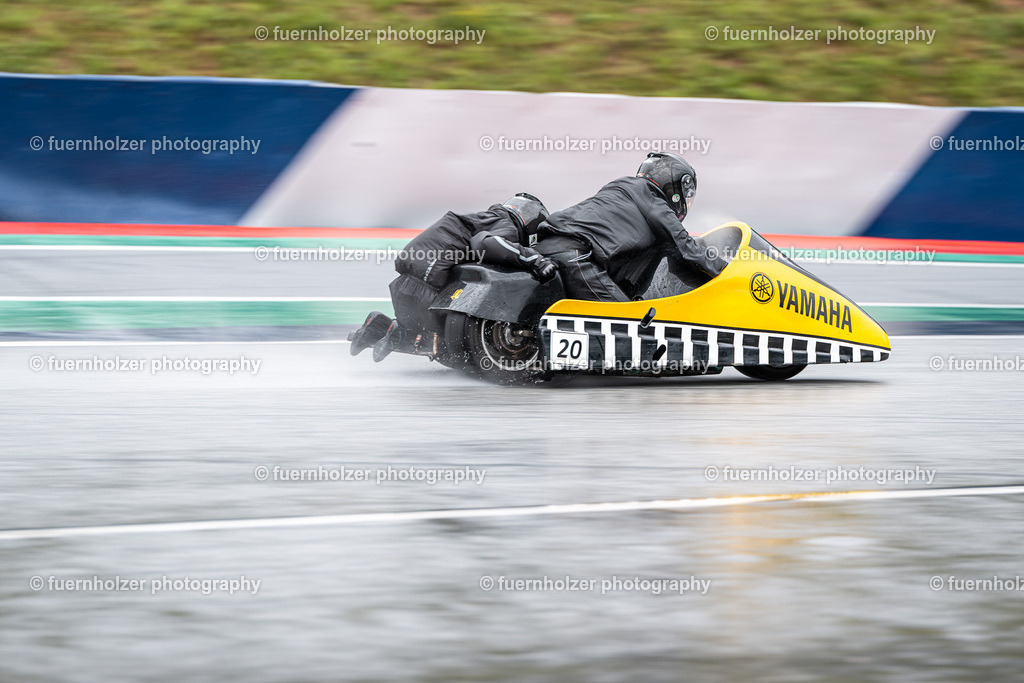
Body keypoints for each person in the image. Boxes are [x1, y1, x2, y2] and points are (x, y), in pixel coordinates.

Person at [349, 193, 557, 360]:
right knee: (455, 342)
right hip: (429, 289)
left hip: (404, 285)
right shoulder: (506, 225)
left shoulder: (482, 218)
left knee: (430, 330)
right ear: (531, 221)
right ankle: (397, 334)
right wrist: (535, 260)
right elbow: (487, 243)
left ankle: (377, 326)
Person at [534, 152, 727, 302]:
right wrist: (729, 271)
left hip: (543, 250)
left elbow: (670, 259)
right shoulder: (652, 198)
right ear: (675, 184)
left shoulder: (621, 187)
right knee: (624, 326)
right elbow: (687, 248)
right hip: (576, 256)